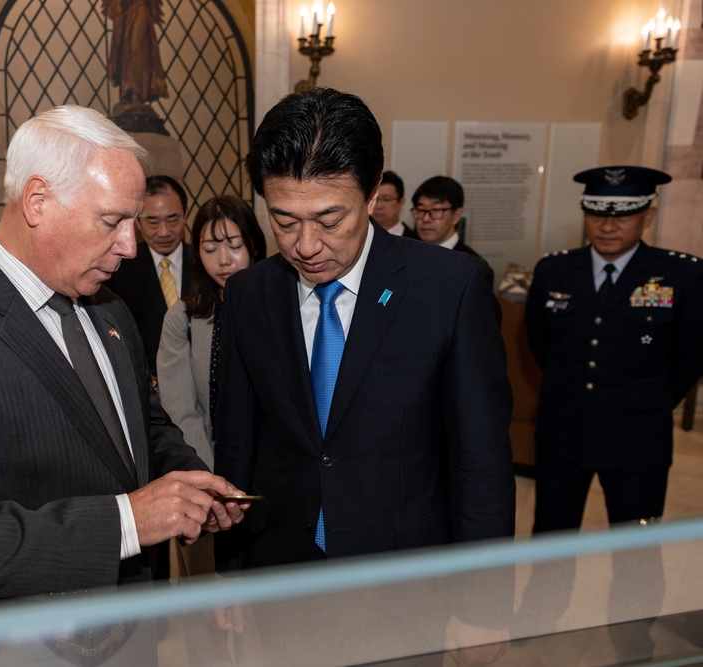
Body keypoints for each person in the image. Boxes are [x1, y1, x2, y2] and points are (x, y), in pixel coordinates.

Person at [0, 106, 247, 609]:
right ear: (37, 200)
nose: (131, 246)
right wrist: (127, 521)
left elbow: (140, 427)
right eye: (112, 221)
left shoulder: (109, 307)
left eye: (134, 222)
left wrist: (190, 482)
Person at [214, 88, 515, 572]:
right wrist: (230, 572)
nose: (306, 246)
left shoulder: (450, 289)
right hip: (280, 566)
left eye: (330, 220)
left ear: (373, 194)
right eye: (284, 220)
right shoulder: (250, 294)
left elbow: (481, 461)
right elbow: (238, 445)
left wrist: (481, 601)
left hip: (405, 569)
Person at [526, 165, 703, 532]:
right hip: (563, 433)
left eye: (623, 216)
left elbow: (690, 356)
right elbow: (540, 341)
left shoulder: (682, 276)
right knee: (551, 541)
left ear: (648, 215)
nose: (607, 227)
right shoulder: (553, 271)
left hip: (638, 438)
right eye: (596, 214)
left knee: (636, 550)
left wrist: (648, 400)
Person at [156, 195, 267, 469]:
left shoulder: (277, 308)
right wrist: (210, 475)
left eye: (235, 246)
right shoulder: (182, 318)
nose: (224, 260)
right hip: (211, 457)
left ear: (253, 245)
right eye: (210, 249)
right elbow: (181, 412)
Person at [106, 175, 194, 377]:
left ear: (185, 214)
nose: (164, 232)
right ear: (136, 221)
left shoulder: (204, 263)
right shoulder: (117, 271)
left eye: (172, 219)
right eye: (152, 222)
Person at [412, 175, 480, 256]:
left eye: (436, 210)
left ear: (456, 215)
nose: (426, 219)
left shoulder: (471, 264)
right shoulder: (407, 252)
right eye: (421, 209)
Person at [372, 170, 417, 239]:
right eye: (374, 199)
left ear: (401, 202)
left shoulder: (415, 241)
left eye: (386, 199)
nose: (379, 206)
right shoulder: (360, 238)